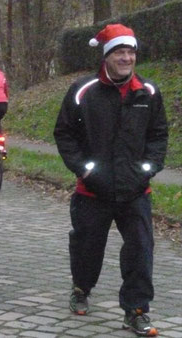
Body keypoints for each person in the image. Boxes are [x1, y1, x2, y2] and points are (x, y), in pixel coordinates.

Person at [53, 24, 167, 336]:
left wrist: (147, 169)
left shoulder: (149, 92)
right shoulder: (83, 91)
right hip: (92, 191)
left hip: (135, 191)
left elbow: (158, 136)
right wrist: (86, 170)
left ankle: (137, 309)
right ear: (107, 56)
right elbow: (64, 134)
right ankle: (81, 288)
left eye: (131, 52)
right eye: (120, 52)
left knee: (141, 250)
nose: (127, 57)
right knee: (88, 248)